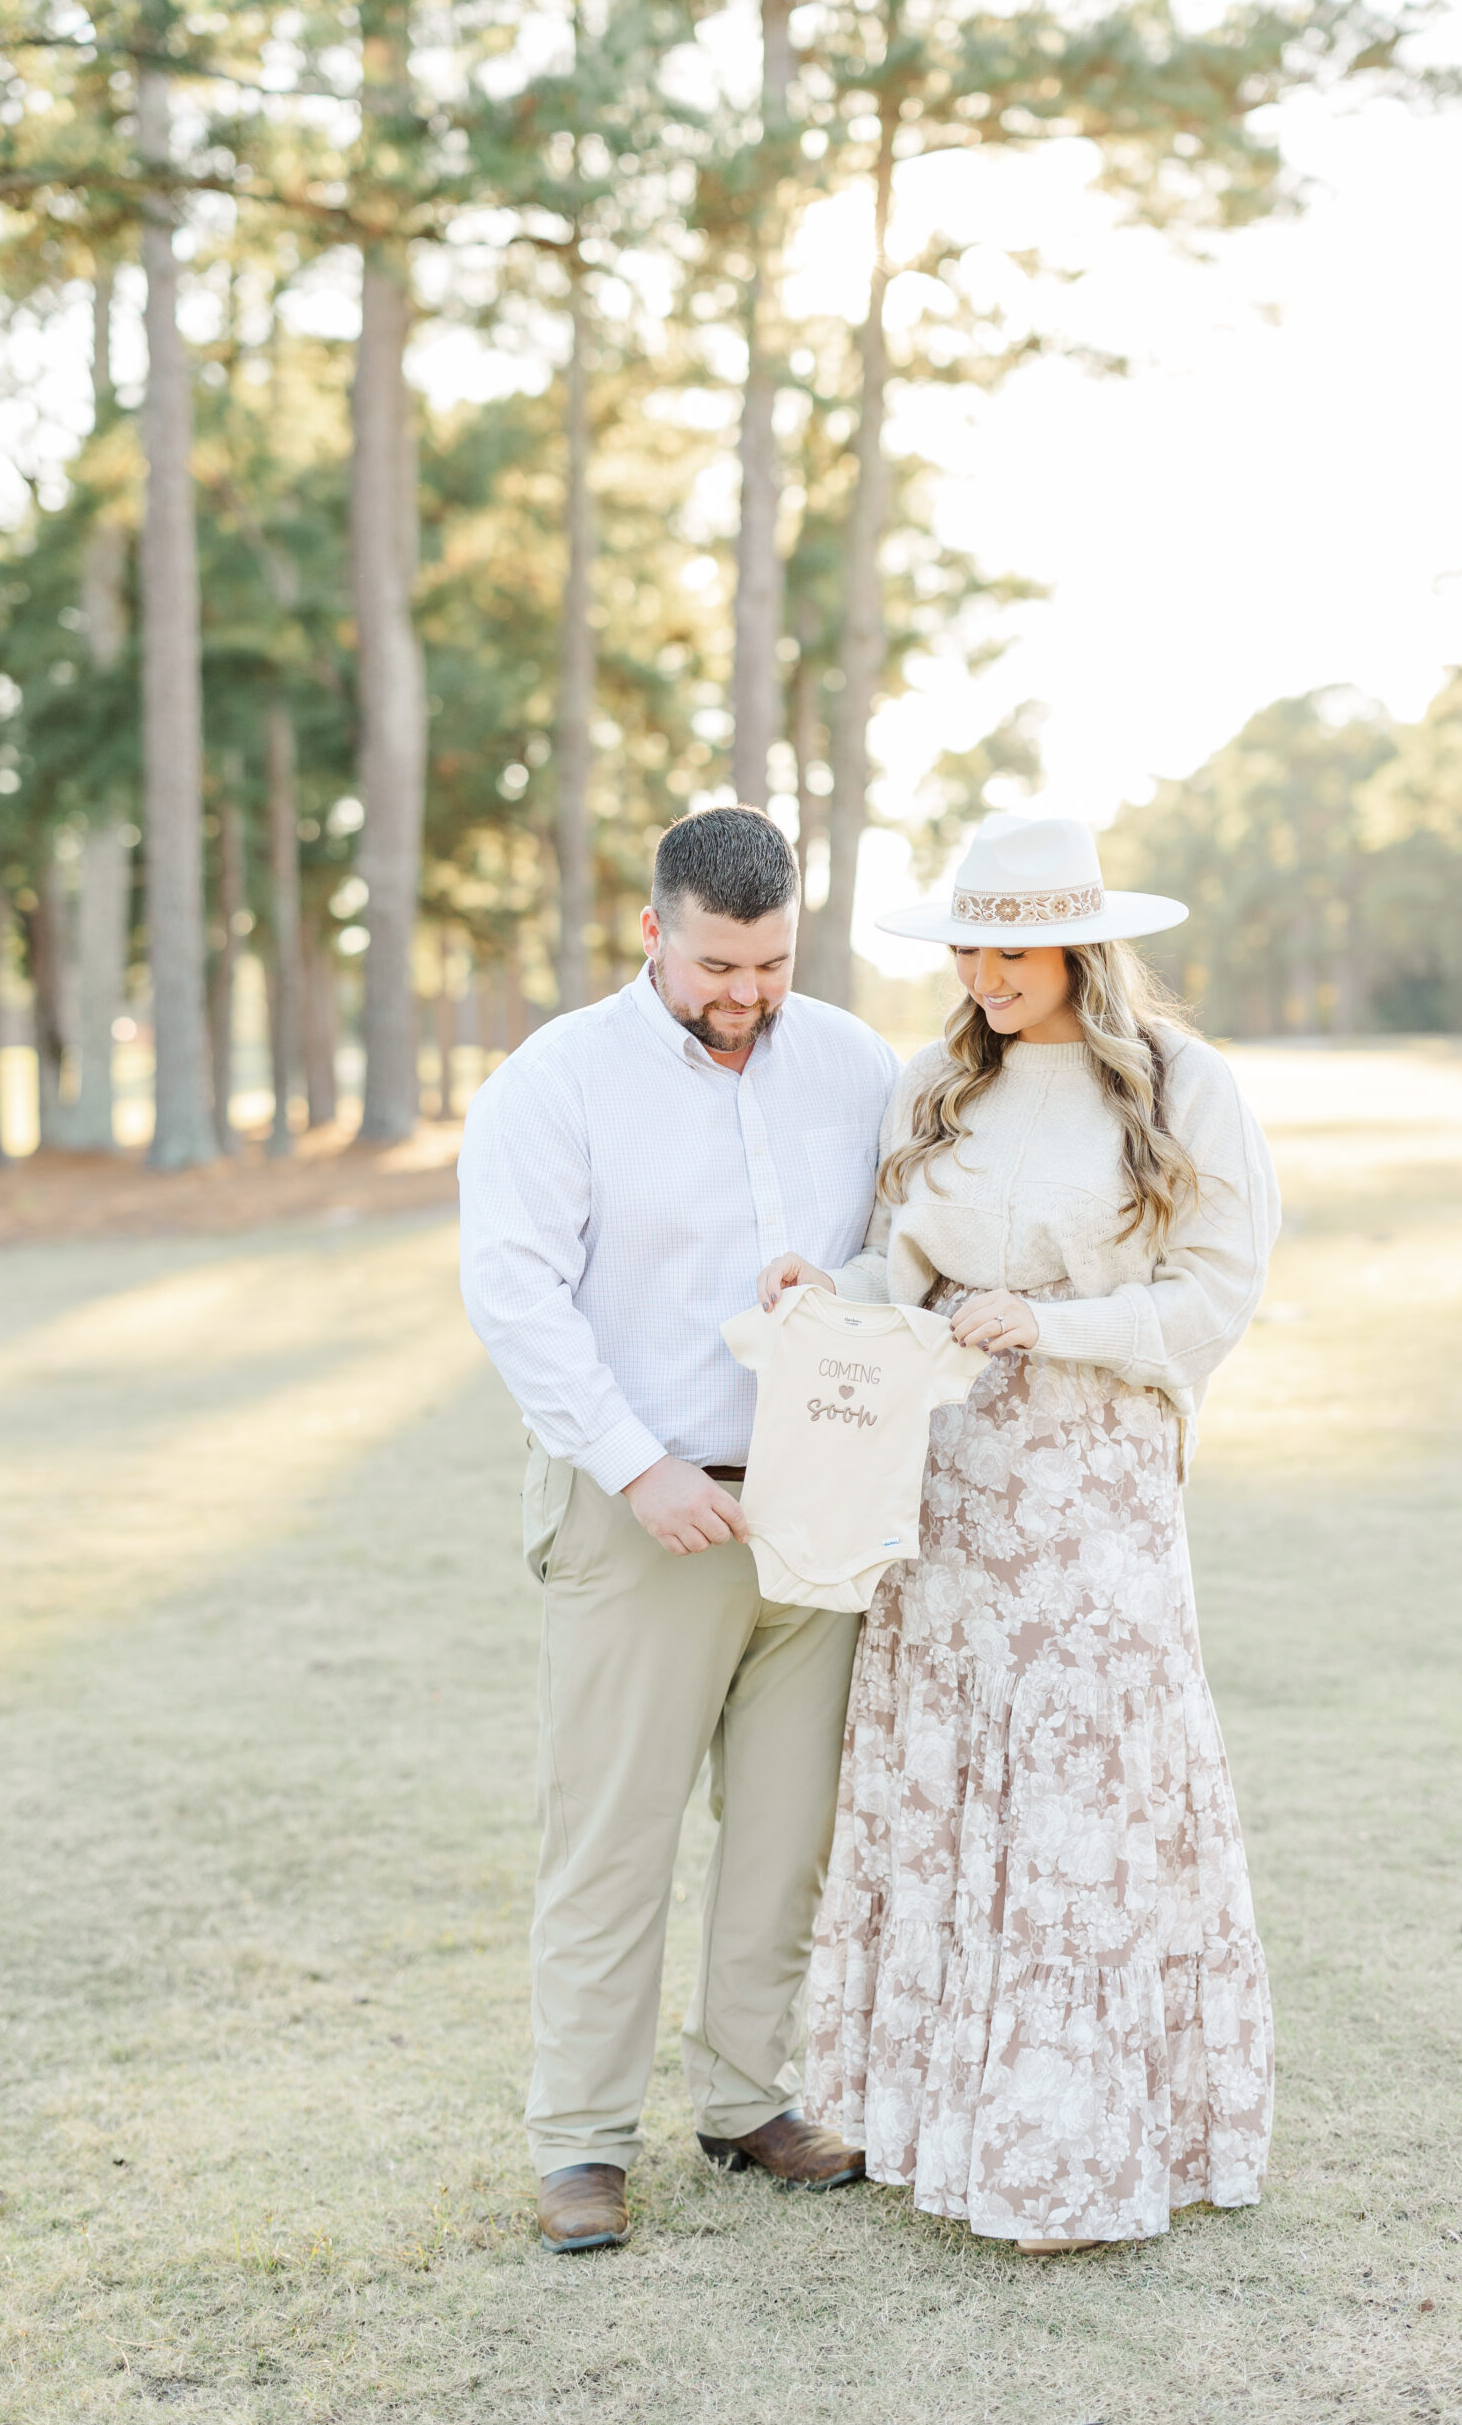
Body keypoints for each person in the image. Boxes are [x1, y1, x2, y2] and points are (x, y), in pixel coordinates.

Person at [757, 813, 1280, 2254]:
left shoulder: (1184, 1086)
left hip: (1099, 1485)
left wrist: (1055, 1324)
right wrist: (839, 1287)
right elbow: (901, 1269)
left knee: (1084, 1793)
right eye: (967, 945)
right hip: (953, 1484)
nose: (985, 971)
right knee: (954, 1780)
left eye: (1013, 946)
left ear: (1079, 944)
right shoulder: (932, 1084)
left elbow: (1213, 1297)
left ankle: (1091, 2138)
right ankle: (951, 2124)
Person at [458, 805, 898, 2254]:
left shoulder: (853, 1062)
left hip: (813, 1504)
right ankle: (580, 2143)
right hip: (641, 1506)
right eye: (717, 964)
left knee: (785, 1835)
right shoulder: (557, 1079)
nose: (744, 996)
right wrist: (640, 1467)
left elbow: (906, 1248)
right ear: (653, 932)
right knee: (612, 1837)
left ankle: (747, 2100)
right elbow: (515, 1294)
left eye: (768, 964)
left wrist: (839, 1286)